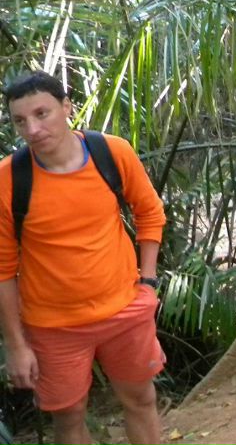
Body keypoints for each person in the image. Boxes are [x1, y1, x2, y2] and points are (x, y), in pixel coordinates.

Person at [0, 71, 167, 445]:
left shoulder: (111, 152)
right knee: (70, 417)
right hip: (53, 325)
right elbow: (2, 270)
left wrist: (148, 282)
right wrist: (16, 344)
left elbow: (150, 213)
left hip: (125, 310)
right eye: (20, 121)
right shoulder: (8, 180)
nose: (32, 129)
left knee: (141, 400)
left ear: (66, 107)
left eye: (42, 114)